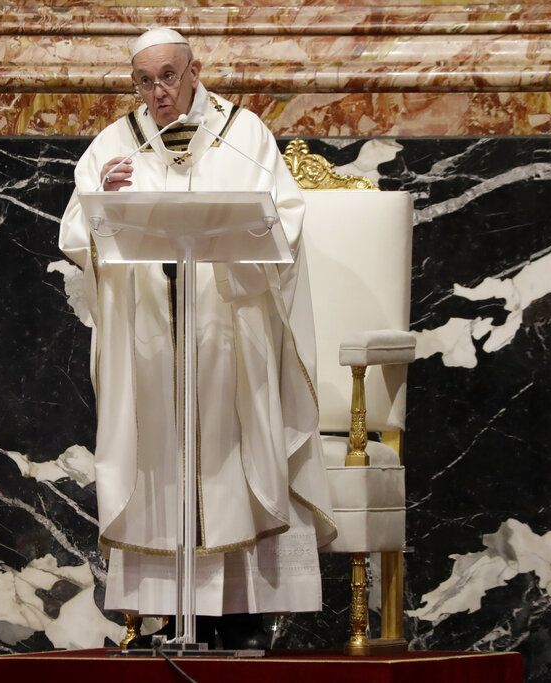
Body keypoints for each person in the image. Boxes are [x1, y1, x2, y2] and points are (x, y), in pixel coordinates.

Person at [59, 28, 337, 648]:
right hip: (153, 342)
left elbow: (284, 220)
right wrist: (102, 197)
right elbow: (77, 232)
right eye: (144, 80)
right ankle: (166, 614)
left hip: (229, 334)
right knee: (159, 464)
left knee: (232, 461)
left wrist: (239, 232)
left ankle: (238, 616)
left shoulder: (245, 135)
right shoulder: (114, 144)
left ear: (194, 71)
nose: (158, 92)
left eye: (168, 76)